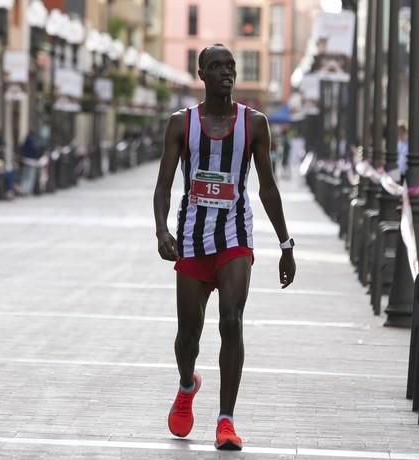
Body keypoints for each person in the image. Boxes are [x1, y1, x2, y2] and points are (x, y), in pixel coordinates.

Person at [153, 44, 296, 451]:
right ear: (201, 74)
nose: (225, 73)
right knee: (188, 336)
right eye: (216, 67)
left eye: (230, 66)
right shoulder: (181, 124)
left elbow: (267, 186)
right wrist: (161, 230)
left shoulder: (255, 124)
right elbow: (163, 185)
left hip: (235, 236)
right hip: (193, 239)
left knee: (231, 321)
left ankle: (226, 421)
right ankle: (186, 385)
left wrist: (285, 243)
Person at [19, 131, 41, 195]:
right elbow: (35, 150)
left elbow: (22, 149)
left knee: (25, 175)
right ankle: (27, 190)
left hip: (25, 160)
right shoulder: (33, 142)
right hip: (32, 161)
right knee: (30, 176)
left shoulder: (26, 141)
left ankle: (23, 189)